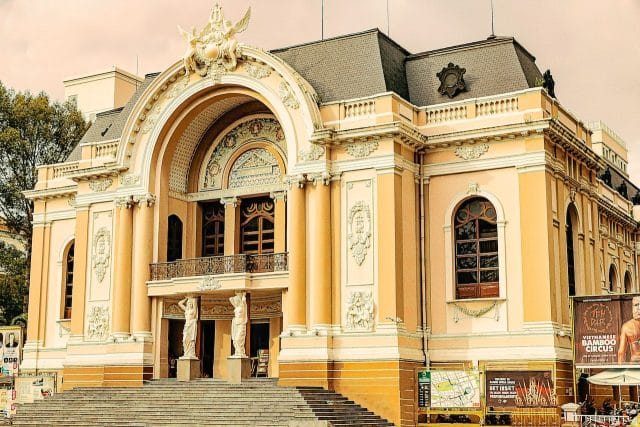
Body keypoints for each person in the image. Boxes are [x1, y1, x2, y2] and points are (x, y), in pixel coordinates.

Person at [618, 296, 640, 363]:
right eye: (636, 305)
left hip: (634, 364)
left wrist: (619, 370)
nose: (639, 308)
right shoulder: (626, 326)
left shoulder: (627, 326)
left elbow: (621, 352)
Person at [229, 292, 247, 358]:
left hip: (241, 324)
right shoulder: (237, 307)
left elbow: (244, 302)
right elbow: (230, 299)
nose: (235, 302)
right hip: (236, 324)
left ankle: (240, 352)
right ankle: (237, 352)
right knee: (234, 340)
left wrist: (243, 296)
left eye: (236, 301)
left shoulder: (243, 307)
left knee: (238, 339)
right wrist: (237, 295)